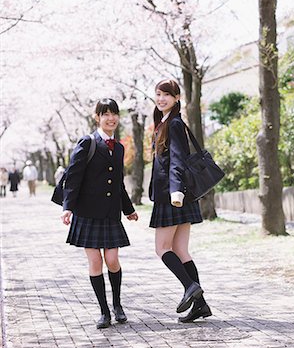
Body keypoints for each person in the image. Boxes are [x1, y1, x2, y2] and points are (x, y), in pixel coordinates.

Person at [61, 98, 138, 329]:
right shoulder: (87, 142)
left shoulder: (120, 147)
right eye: (105, 114)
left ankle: (117, 305)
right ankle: (104, 312)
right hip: (86, 213)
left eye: (114, 113)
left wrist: (129, 209)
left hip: (110, 214)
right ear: (97, 117)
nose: (111, 118)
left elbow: (118, 184)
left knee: (112, 260)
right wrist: (67, 207)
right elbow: (73, 177)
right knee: (95, 261)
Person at [149, 79, 212, 323]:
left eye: (167, 94)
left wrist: (176, 191)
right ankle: (201, 305)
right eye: (158, 94)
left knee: (162, 248)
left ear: (177, 98)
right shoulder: (165, 123)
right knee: (181, 250)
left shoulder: (173, 124)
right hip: (178, 194)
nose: (162, 98)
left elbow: (177, 159)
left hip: (172, 196)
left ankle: (190, 287)